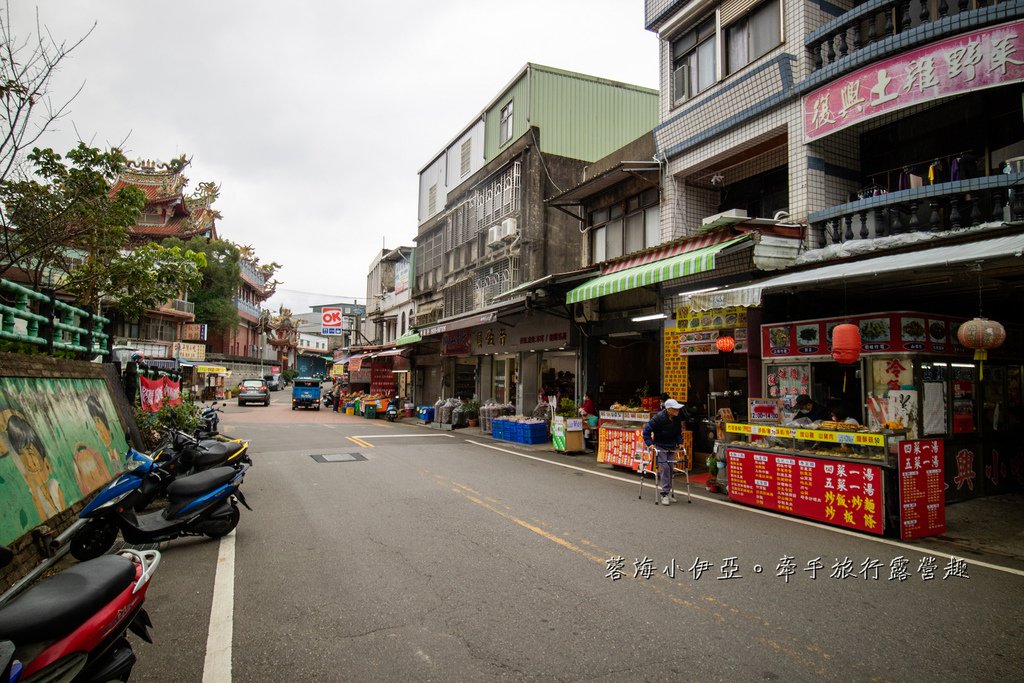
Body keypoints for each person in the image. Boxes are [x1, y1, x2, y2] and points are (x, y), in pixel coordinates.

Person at [642, 398, 685, 506]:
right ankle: (664, 494)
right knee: (665, 467)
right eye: (675, 409)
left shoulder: (677, 418)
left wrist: (680, 442)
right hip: (660, 445)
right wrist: (650, 444)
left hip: (671, 445)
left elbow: (678, 432)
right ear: (669, 409)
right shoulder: (658, 418)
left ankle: (668, 492)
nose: (678, 411)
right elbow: (646, 431)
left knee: (670, 468)